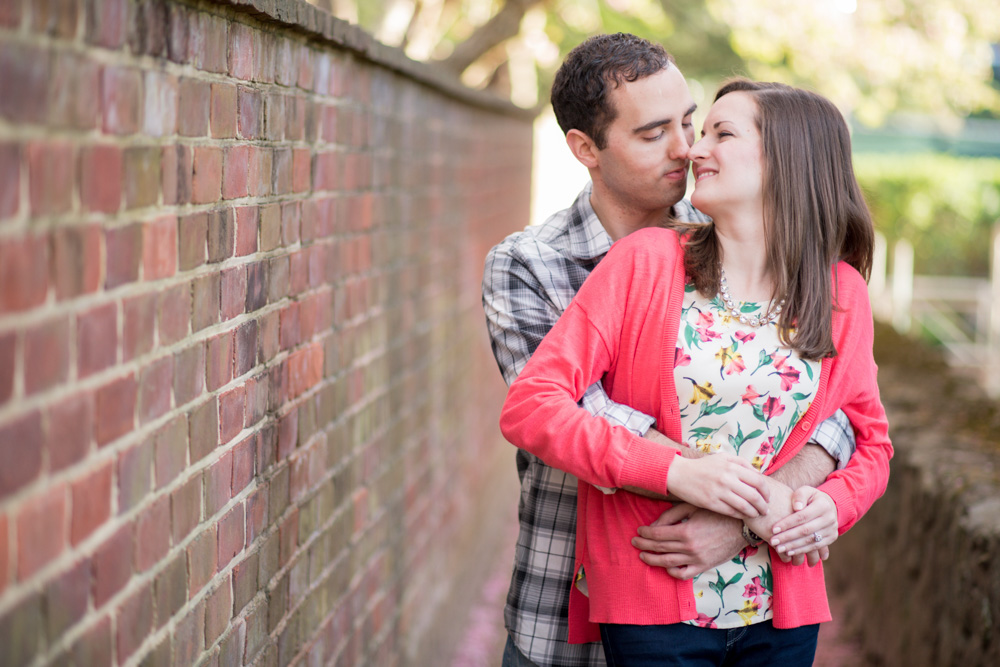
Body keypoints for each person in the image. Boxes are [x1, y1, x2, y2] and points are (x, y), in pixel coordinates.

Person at [482, 34, 857, 667]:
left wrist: (739, 522)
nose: (687, 148)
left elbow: (839, 412)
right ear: (585, 149)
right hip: (567, 603)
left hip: (738, 602)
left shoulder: (743, 230)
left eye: (689, 121)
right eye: (655, 133)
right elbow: (574, 413)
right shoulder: (528, 265)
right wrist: (741, 495)